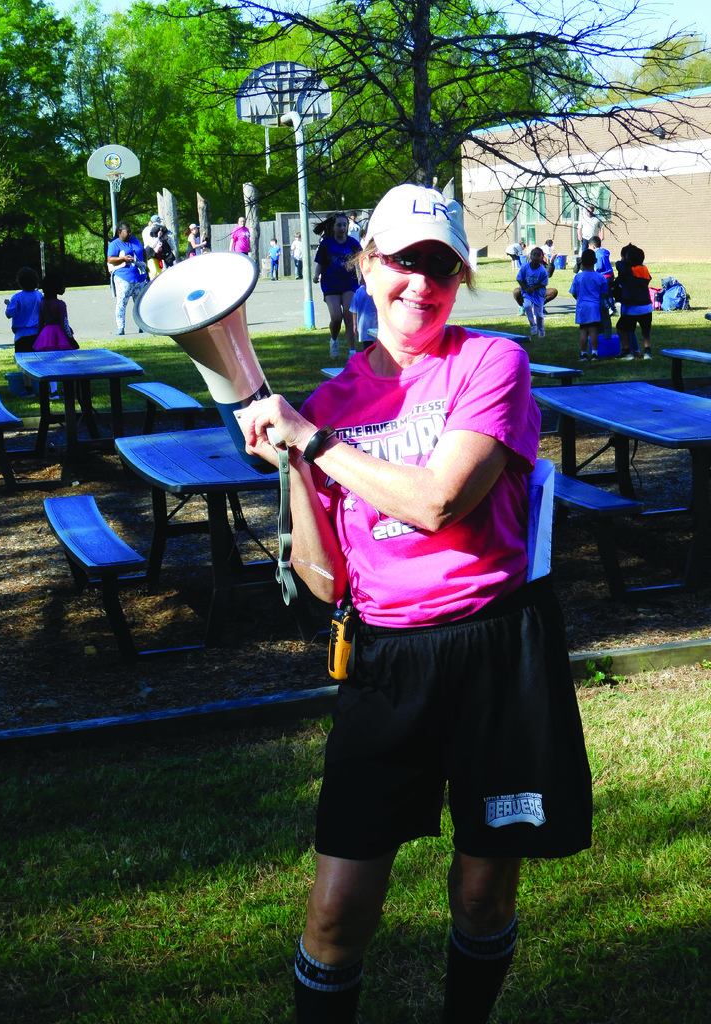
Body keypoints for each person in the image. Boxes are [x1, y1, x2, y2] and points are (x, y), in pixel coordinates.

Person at [240, 183, 593, 1024]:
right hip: (386, 661)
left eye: (440, 264)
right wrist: (296, 466)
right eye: (402, 260)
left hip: (496, 652)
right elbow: (325, 584)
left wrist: (316, 446)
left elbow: (440, 502)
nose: (420, 283)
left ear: (459, 276)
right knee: (337, 911)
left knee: (481, 893)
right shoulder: (327, 405)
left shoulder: (490, 364)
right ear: (367, 267)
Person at [313, 211, 361, 358]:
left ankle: (352, 351)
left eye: (344, 225)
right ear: (333, 227)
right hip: (330, 284)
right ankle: (334, 340)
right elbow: (320, 263)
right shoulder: (326, 244)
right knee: (336, 317)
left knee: (348, 315)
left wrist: (364, 276)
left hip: (349, 284)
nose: (342, 228)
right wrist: (316, 275)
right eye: (339, 225)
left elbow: (362, 260)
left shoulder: (352, 243)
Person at [33, 269, 78, 399]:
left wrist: (39, 337)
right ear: (56, 287)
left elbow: (41, 322)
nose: (64, 287)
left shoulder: (43, 302)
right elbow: (63, 322)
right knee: (64, 362)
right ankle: (66, 389)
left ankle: (53, 391)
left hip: (46, 335)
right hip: (59, 335)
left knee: (50, 363)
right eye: (62, 285)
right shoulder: (60, 304)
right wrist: (70, 338)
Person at [4, 266, 42, 396]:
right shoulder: (39, 295)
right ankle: (42, 386)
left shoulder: (17, 297)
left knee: (25, 363)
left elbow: (9, 314)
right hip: (37, 333)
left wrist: (8, 304)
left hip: (22, 334)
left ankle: (28, 388)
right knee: (38, 360)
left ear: (19, 282)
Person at [107, 221, 147, 335]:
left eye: (130, 231)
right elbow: (110, 259)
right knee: (121, 303)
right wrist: (123, 258)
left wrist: (145, 265)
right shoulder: (115, 244)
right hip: (123, 277)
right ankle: (121, 327)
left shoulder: (135, 240)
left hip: (139, 278)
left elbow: (143, 252)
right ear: (120, 232)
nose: (130, 233)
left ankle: (142, 326)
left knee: (139, 303)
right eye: (127, 231)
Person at [614, 243, 653, 360]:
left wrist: (624, 261)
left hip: (632, 307)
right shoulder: (645, 270)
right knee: (646, 331)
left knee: (621, 327)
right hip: (646, 306)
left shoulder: (628, 270)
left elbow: (618, 264)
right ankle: (647, 351)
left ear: (629, 260)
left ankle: (626, 351)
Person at [570, 248, 609, 362]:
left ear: (581, 261)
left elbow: (574, 292)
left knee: (583, 331)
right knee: (593, 331)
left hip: (582, 307)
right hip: (595, 307)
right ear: (595, 261)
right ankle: (595, 353)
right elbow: (604, 293)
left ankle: (583, 354)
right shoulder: (600, 277)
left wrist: (580, 299)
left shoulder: (578, 277)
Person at [513, 245, 557, 338]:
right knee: (528, 306)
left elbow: (543, 283)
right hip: (527, 293)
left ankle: (541, 330)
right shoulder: (525, 267)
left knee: (539, 315)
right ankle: (533, 325)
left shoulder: (542, 270)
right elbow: (519, 278)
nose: (536, 257)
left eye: (538, 255)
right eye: (534, 255)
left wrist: (533, 288)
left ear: (542, 258)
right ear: (531, 256)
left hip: (538, 293)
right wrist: (525, 288)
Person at [349, 281, 378, 352]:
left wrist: (355, 324)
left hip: (363, 325)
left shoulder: (358, 292)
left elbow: (354, 310)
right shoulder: (377, 290)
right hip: (376, 323)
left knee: (367, 346)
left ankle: (367, 360)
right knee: (378, 345)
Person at [590, 235, 616, 313]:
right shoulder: (604, 252)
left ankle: (609, 308)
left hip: (604, 276)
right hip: (610, 275)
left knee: (602, 293)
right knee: (609, 293)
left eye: (590, 247)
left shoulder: (597, 254)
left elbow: (599, 266)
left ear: (593, 246)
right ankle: (613, 308)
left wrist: (594, 269)